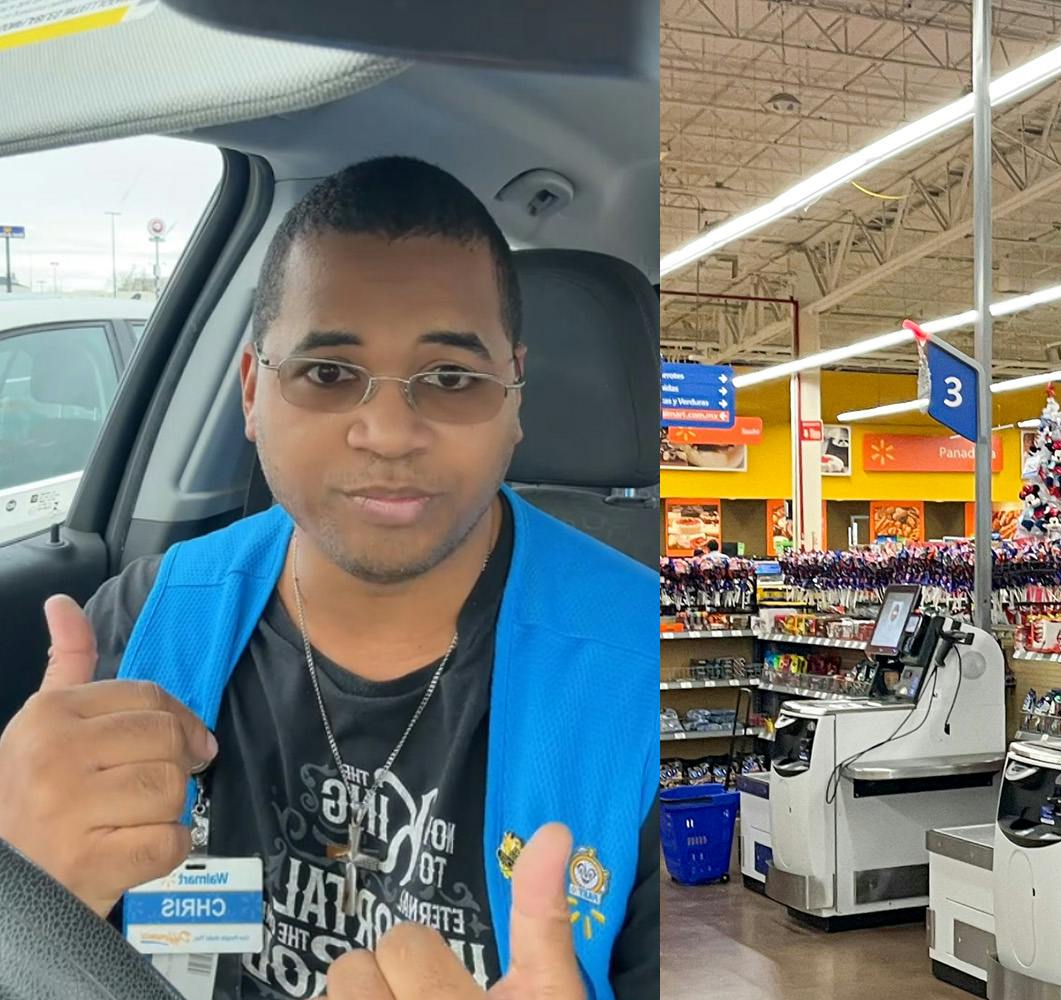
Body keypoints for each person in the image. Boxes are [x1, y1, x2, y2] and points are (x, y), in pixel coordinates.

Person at [0, 157, 657, 999]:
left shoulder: (639, 675)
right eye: (328, 373)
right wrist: (29, 911)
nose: (387, 432)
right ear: (251, 393)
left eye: (451, 378)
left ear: (515, 398)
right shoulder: (141, 631)